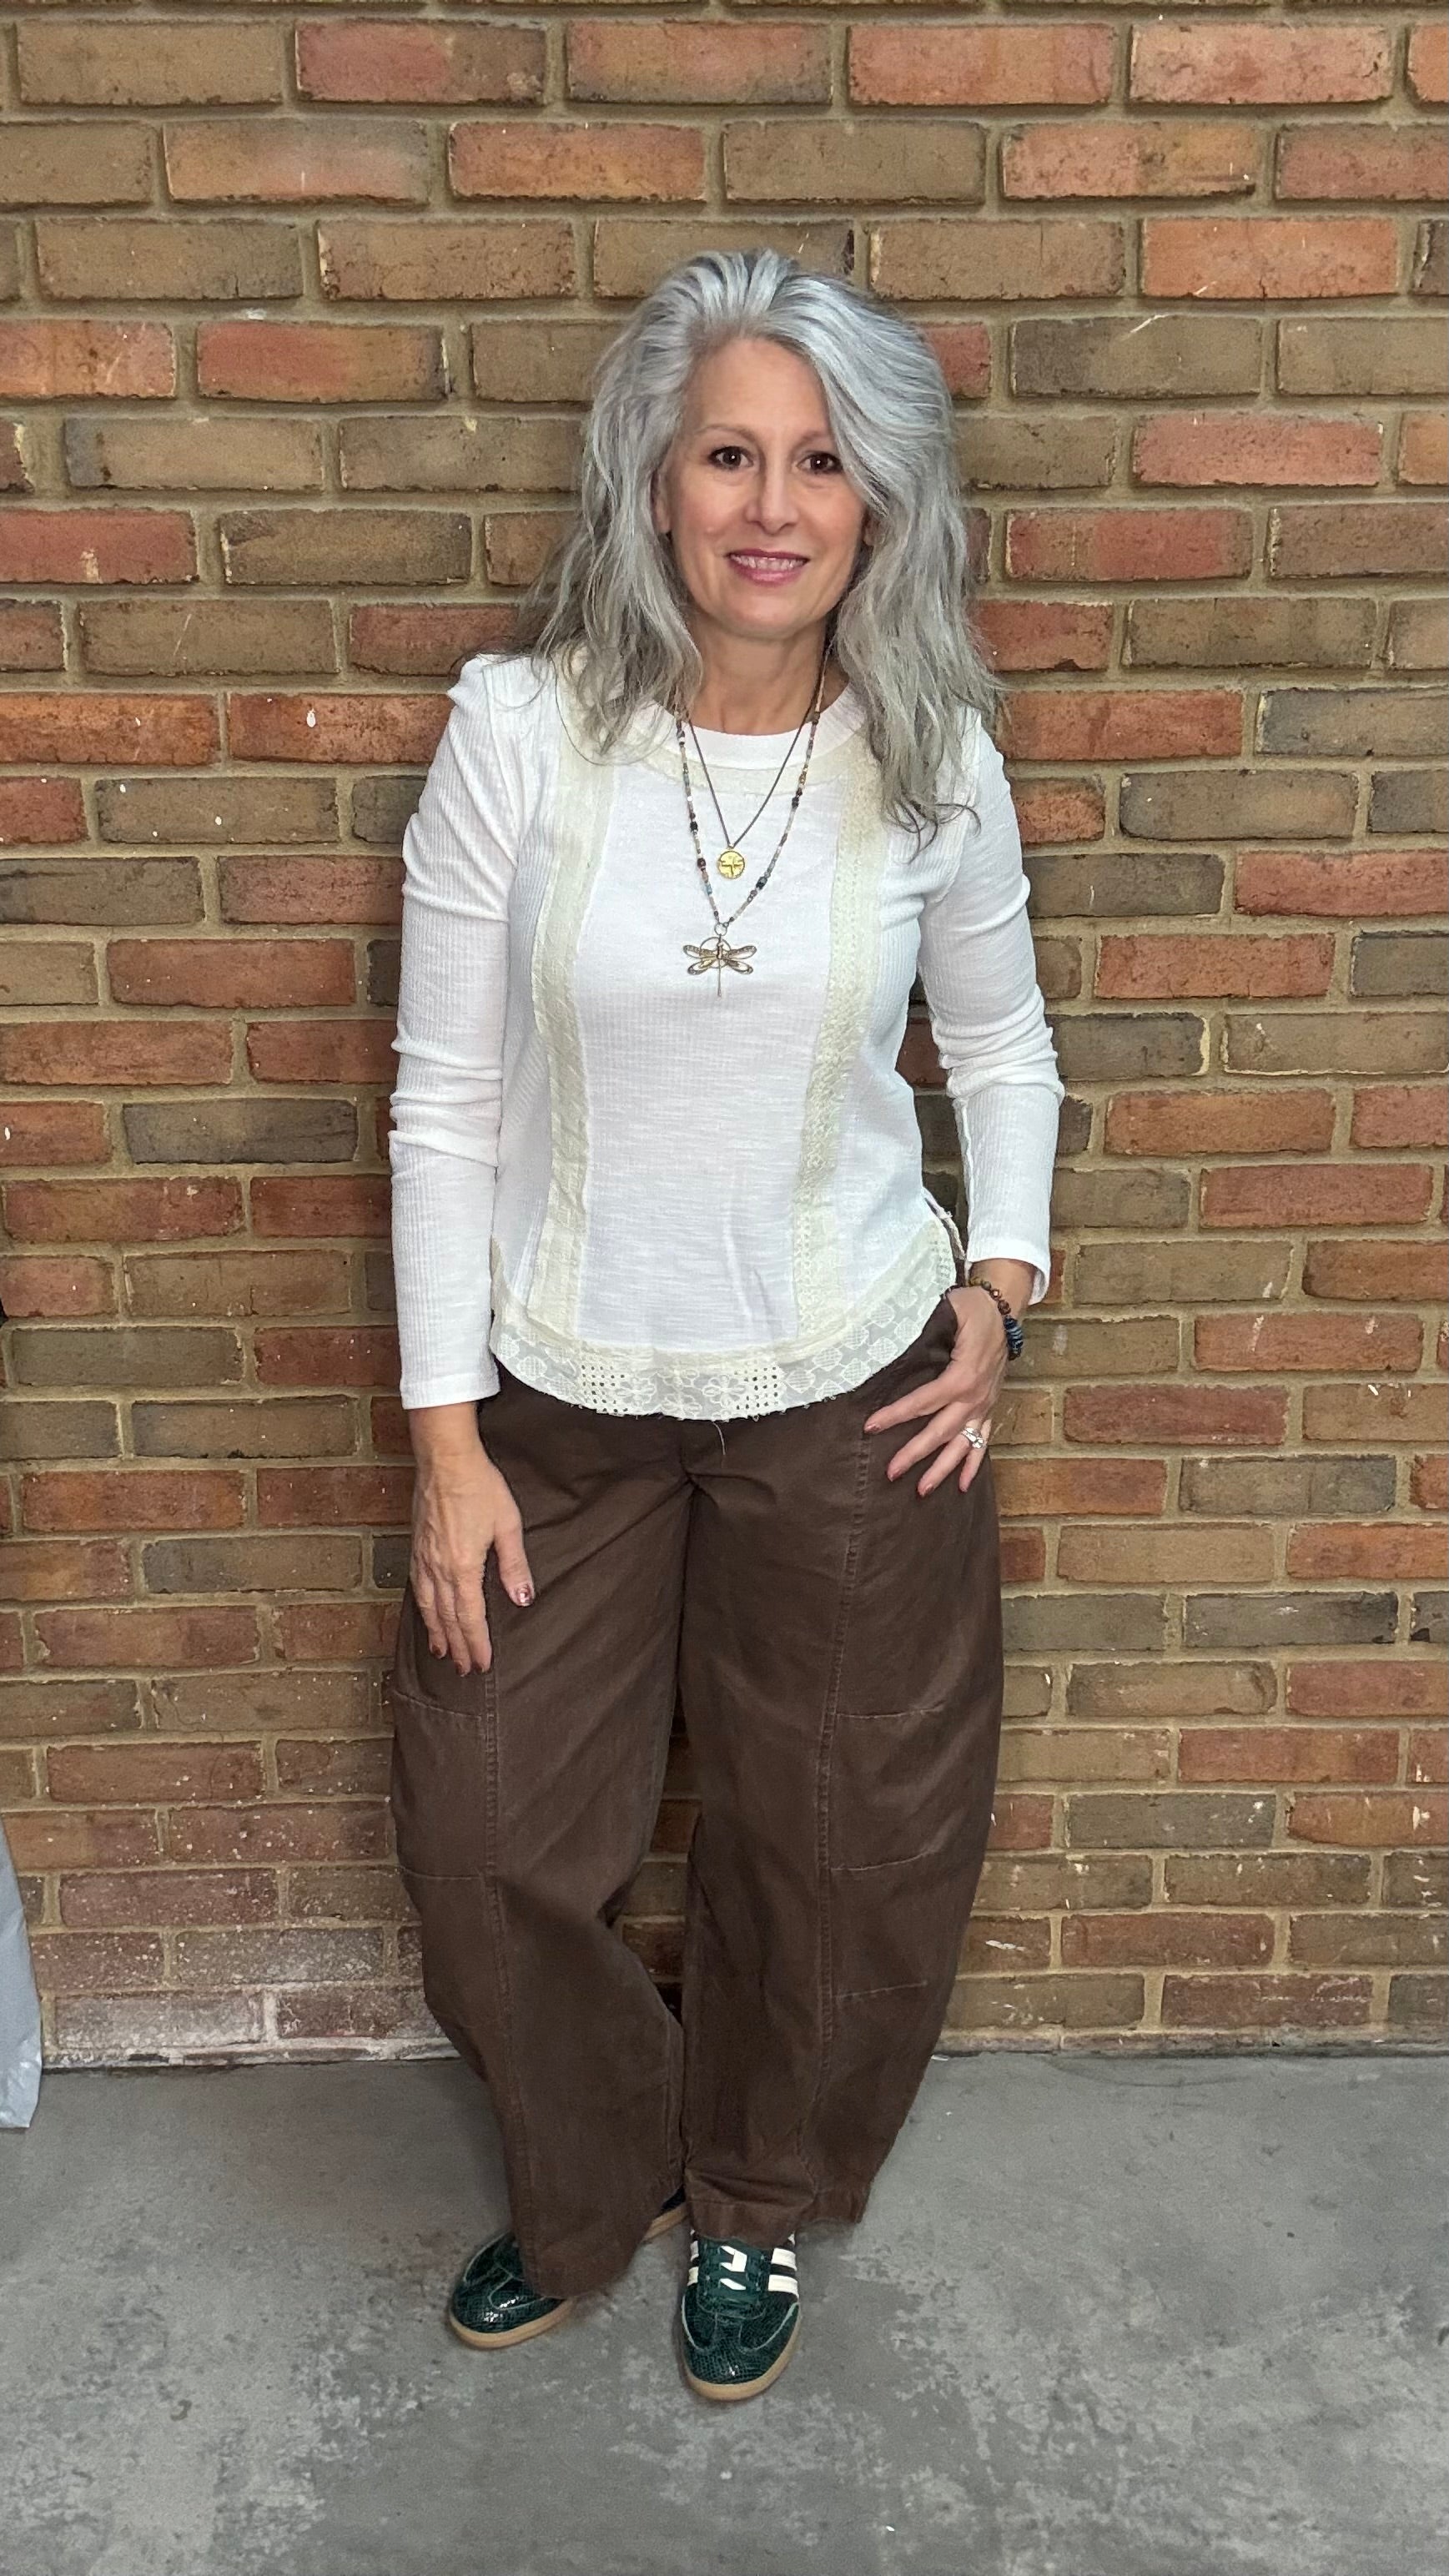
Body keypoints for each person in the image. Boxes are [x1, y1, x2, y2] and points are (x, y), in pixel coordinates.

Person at [385, 246, 1062, 2403]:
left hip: (854, 1389)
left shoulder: (929, 761)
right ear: (654, 484)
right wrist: (444, 1441)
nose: (771, 505)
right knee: (493, 1831)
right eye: (727, 454)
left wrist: (1001, 1282)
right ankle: (587, 2192)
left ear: (881, 503)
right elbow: (444, 1096)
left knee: (839, 1840)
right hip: (557, 1401)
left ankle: (755, 2202)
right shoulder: (520, 736)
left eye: (821, 461)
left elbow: (1007, 1049)